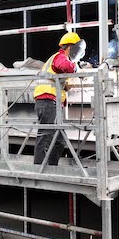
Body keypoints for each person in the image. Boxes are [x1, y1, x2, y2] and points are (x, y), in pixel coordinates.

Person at [33, 32, 86, 165]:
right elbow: (65, 66)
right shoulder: (60, 57)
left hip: (51, 103)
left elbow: (58, 77)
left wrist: (66, 86)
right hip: (47, 101)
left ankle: (51, 167)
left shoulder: (58, 59)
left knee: (59, 141)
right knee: (45, 136)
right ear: (70, 48)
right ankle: (39, 168)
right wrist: (77, 69)